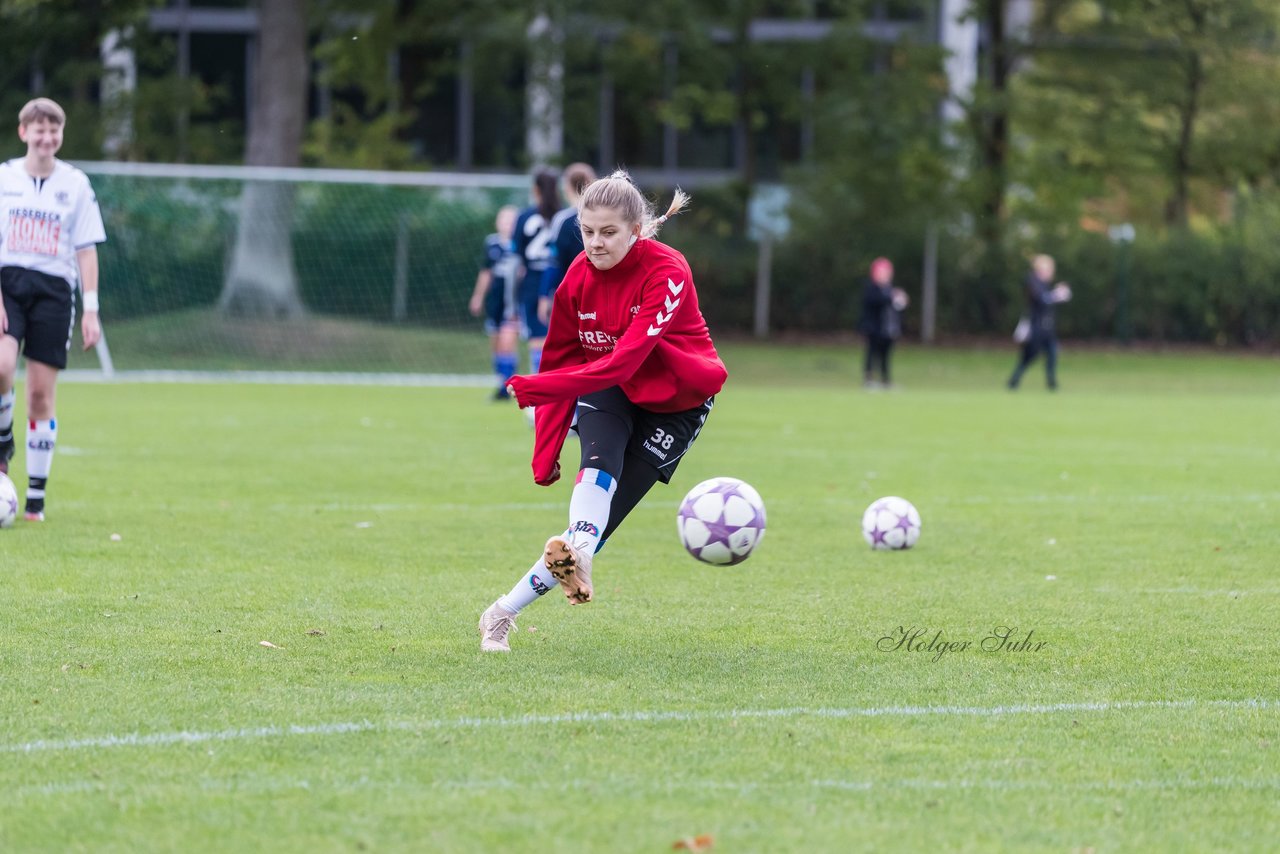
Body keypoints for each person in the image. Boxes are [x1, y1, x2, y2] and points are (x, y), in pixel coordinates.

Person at [477, 170, 728, 652]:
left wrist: (538, 387)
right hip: (610, 386)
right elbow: (560, 354)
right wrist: (546, 442)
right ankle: (517, 606)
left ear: (636, 230)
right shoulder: (577, 278)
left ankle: (504, 607)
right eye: (587, 231)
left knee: (599, 523)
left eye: (608, 232)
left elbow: (627, 359)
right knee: (597, 470)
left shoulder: (667, 270)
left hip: (676, 402)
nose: (595, 243)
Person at [0, 98, 106, 521]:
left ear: (60, 135)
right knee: (2, 366)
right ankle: (3, 438)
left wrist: (91, 310)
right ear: (24, 132)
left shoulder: (76, 184)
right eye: (38, 130)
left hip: (54, 291)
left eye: (54, 130)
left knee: (41, 395)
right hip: (7, 283)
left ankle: (35, 503)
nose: (47, 138)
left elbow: (86, 250)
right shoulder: (4, 177)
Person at [468, 205, 521, 400]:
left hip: (513, 303)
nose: (507, 224)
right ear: (497, 222)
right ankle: (502, 383)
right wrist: (478, 297)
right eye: (504, 220)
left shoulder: (520, 244)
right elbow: (486, 273)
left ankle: (509, 386)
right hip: (495, 302)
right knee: (497, 343)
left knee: (508, 342)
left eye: (511, 220)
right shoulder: (491, 243)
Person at [511, 169, 561, 375]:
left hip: (532, 280)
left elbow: (516, 251)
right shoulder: (564, 216)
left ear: (535, 190)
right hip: (560, 281)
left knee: (537, 337)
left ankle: (539, 390)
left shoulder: (524, 217)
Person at [536, 162, 598, 327]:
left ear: (566, 186)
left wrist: (544, 295)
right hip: (603, 290)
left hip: (572, 294)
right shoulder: (605, 216)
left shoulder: (563, 220)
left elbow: (554, 261)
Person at [1007, 254, 1071, 391]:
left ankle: (1051, 383)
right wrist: (1057, 295)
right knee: (1029, 355)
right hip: (1036, 326)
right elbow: (1042, 300)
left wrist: (1057, 295)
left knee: (1052, 353)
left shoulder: (1044, 284)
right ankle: (1014, 380)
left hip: (1047, 327)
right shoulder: (1032, 282)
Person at [857, 257, 908, 388]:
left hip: (888, 329)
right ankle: (868, 380)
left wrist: (901, 301)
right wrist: (892, 297)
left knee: (886, 356)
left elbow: (897, 309)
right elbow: (875, 302)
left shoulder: (890, 289)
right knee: (871, 353)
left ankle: (885, 381)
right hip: (874, 328)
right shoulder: (872, 289)